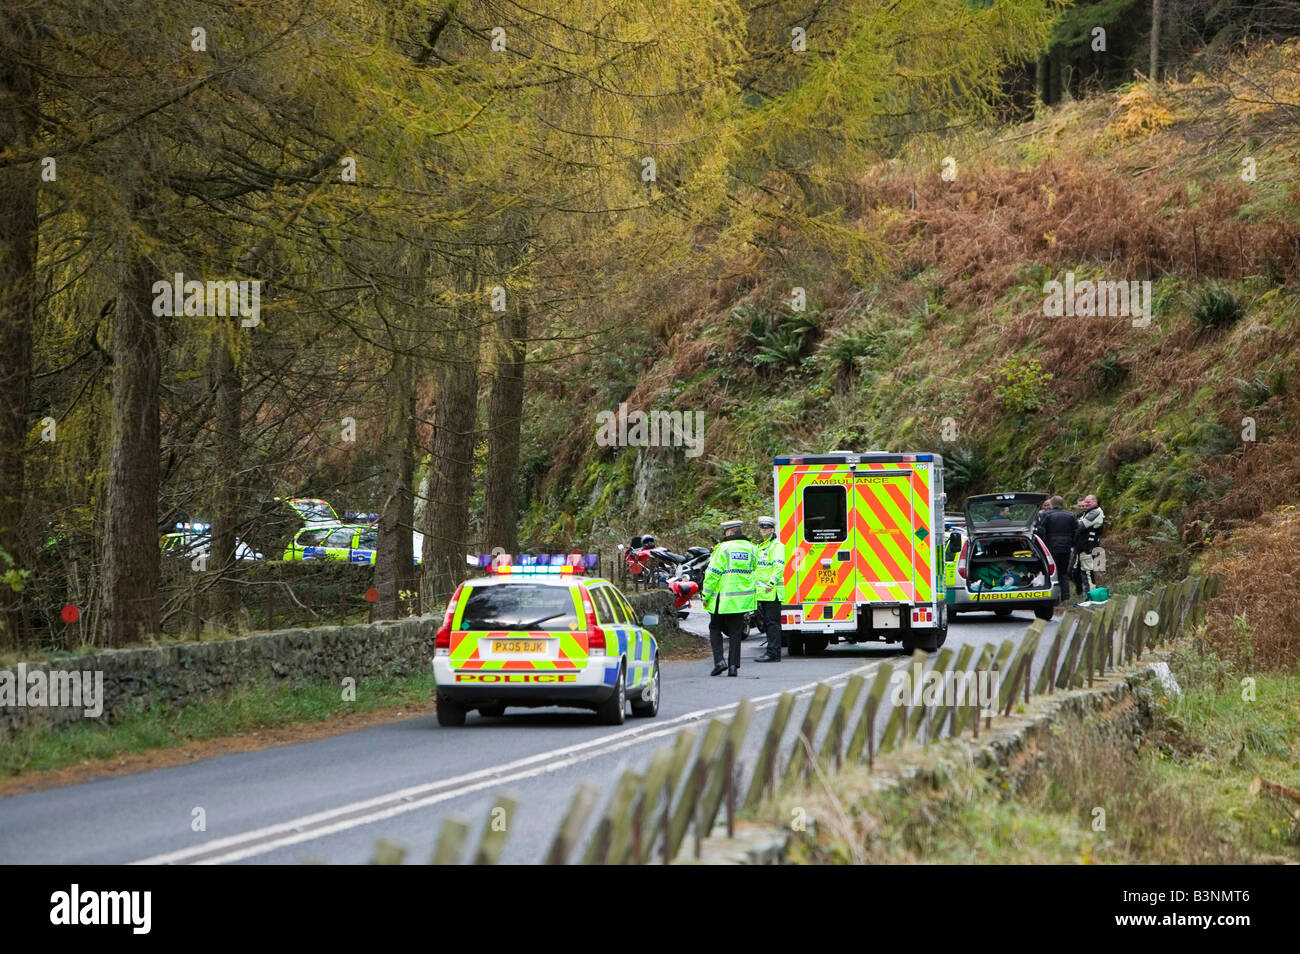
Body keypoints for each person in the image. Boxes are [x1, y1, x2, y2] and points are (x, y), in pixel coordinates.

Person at [701, 518, 757, 677]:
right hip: (741, 600)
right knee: (735, 632)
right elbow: (753, 569)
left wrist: (706, 594)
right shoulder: (751, 548)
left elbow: (713, 573)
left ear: (730, 532)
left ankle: (719, 661)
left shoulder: (723, 548)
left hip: (722, 598)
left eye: (726, 532)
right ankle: (733, 666)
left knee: (715, 628)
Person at [752, 516, 785, 663]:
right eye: (761, 528)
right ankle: (771, 651)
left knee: (773, 624)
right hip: (762, 594)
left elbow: (779, 567)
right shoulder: (760, 547)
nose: (763, 530)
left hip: (771, 592)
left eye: (766, 528)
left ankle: (773, 653)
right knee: (767, 624)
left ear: (772, 529)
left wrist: (771, 584)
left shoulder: (776, 546)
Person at [1036, 495, 1078, 603]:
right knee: (1064, 573)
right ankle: (1066, 597)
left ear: (1052, 504)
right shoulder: (1071, 515)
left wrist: (1042, 543)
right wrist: (1071, 544)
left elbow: (1040, 530)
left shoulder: (1046, 515)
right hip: (1066, 548)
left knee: (1052, 573)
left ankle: (1055, 599)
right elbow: (1076, 531)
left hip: (1051, 547)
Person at [1073, 494, 1105, 594]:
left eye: (1088, 502)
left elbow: (1080, 526)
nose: (1086, 504)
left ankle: (1092, 595)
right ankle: (1088, 594)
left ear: (1095, 501)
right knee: (1082, 571)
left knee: (1088, 572)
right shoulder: (1089, 512)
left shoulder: (1095, 512)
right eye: (1085, 502)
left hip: (1088, 547)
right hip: (1083, 547)